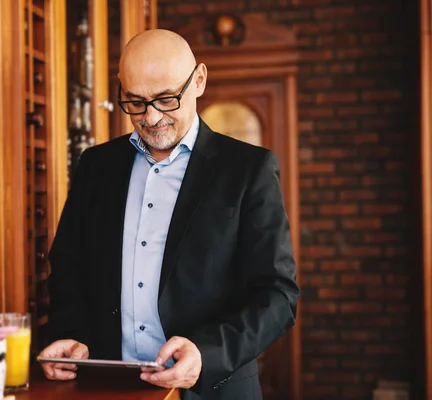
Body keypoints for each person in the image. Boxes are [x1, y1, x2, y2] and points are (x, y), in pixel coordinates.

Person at [38, 29, 299, 400]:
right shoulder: (97, 166)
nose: (151, 117)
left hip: (214, 391)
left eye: (165, 99)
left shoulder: (249, 169)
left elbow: (277, 295)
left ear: (199, 81)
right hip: (109, 389)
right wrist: (71, 334)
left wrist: (205, 355)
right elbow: (69, 268)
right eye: (135, 101)